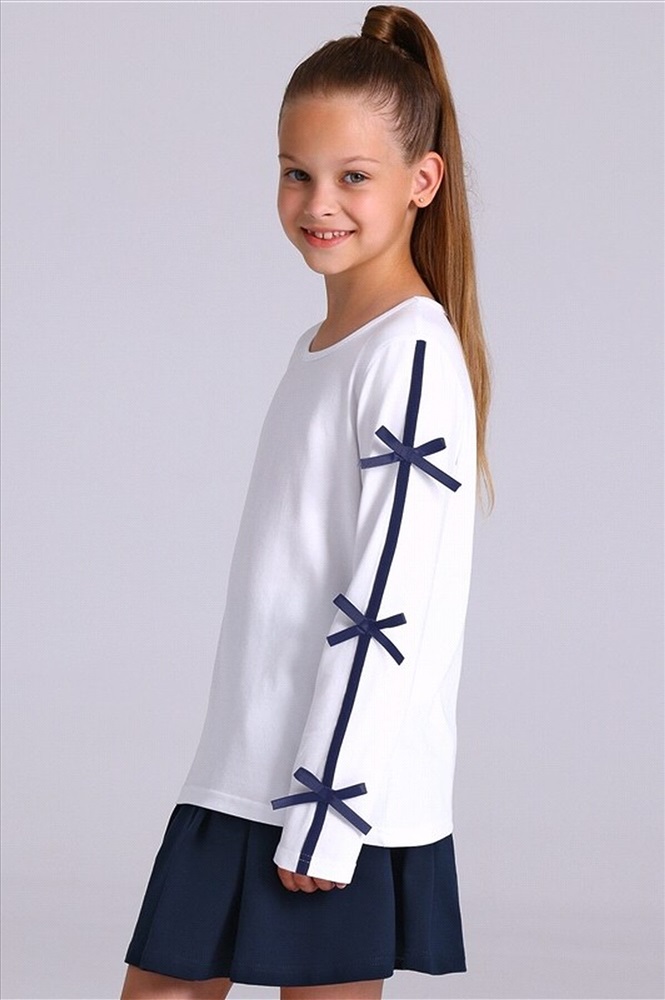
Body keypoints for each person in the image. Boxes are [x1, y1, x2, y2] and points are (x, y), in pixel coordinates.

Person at [120, 4, 494, 998]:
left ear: (422, 181)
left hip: (327, 787)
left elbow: (387, 600)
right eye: (297, 172)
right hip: (245, 764)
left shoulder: (410, 356)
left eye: (352, 177)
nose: (318, 203)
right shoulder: (320, 348)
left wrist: (329, 808)